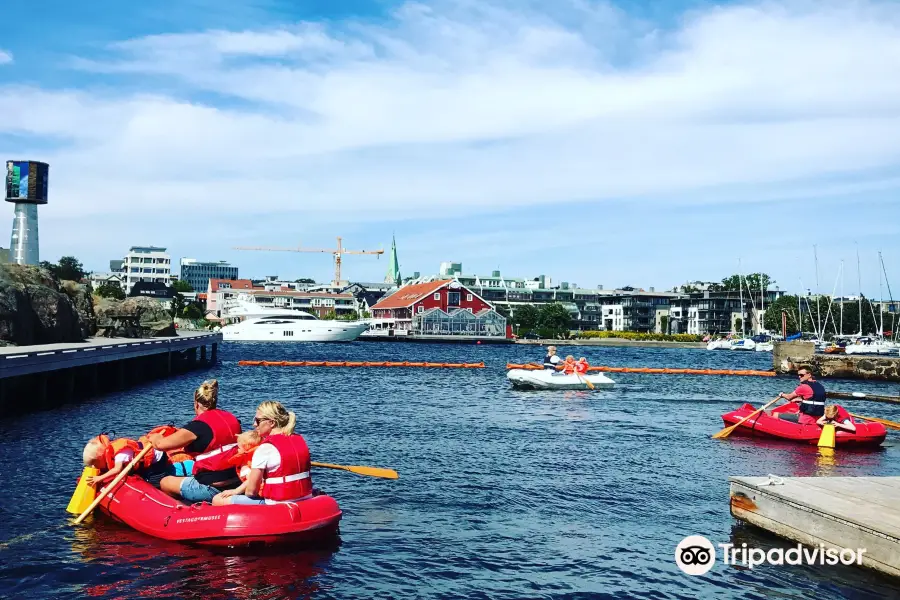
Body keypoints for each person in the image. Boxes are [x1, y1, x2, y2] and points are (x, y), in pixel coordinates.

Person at [150, 379, 243, 503]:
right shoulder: (232, 418)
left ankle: (183, 511)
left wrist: (154, 437)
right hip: (236, 479)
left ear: (196, 404)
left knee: (165, 482)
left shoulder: (197, 427)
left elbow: (161, 445)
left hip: (213, 486)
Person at [212, 401, 313, 506]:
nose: (254, 424)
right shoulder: (299, 440)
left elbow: (251, 492)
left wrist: (237, 492)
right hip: (305, 498)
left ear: (272, 423)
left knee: (217, 499)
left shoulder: (264, 449)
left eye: (258, 420)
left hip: (276, 504)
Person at [82, 434, 168, 487]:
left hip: (157, 459)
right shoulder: (105, 452)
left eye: (95, 463)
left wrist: (100, 478)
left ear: (100, 457)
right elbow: (97, 465)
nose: (95, 466)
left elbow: (117, 469)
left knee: (153, 482)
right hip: (140, 461)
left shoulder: (119, 453)